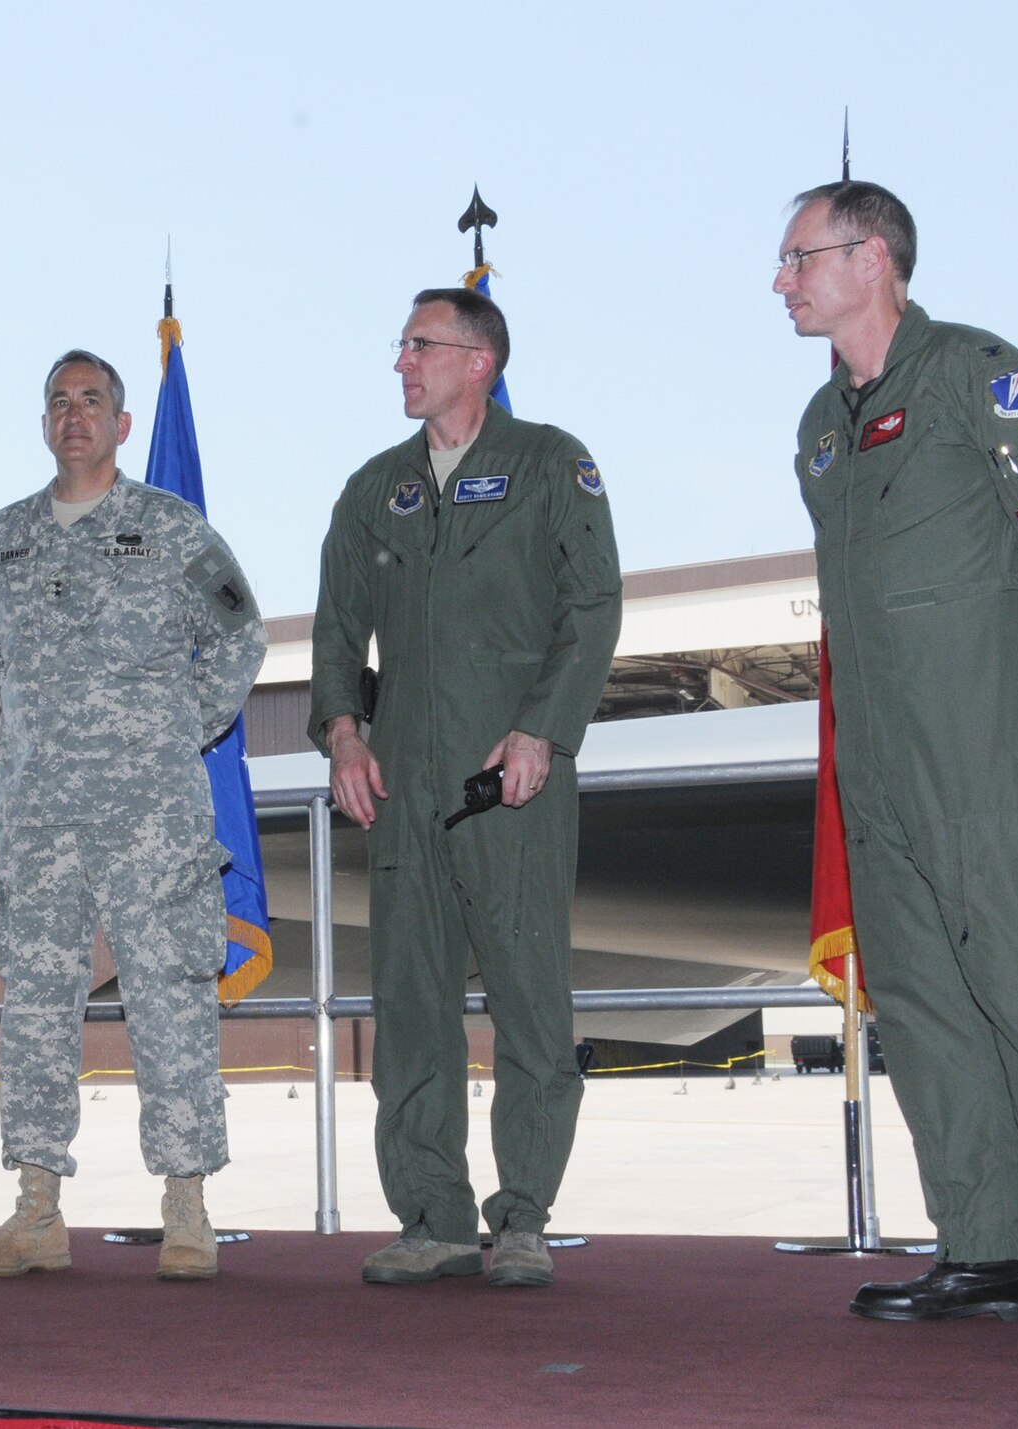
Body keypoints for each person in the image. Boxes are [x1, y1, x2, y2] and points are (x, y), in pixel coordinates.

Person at [772, 181, 1018, 1344]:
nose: (778, 280)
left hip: (983, 741)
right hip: (875, 758)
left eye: (796, 257)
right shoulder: (820, 427)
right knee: (927, 1005)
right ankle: (990, 1241)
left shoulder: (976, 374)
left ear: (870, 256)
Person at [309, 289, 622, 1288]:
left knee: (528, 996)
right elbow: (333, 624)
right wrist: (343, 733)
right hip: (401, 786)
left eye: (420, 345)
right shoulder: (376, 487)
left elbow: (592, 603)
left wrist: (545, 728)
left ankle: (521, 1214)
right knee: (408, 1004)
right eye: (401, 345)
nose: (400, 362)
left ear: (478, 358)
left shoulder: (545, 462)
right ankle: (433, 1215)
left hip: (510, 781)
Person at [0, 349, 265, 1281]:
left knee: (170, 993)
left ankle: (186, 1206)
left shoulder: (171, 529)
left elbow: (238, 635)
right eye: (58, 400)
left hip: (150, 811)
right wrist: (52, 731)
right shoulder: (4, 537)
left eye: (92, 400)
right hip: (41, 810)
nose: (74, 414)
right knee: (37, 1004)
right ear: (43, 421)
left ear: (123, 424)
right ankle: (38, 1206)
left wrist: (171, 730)